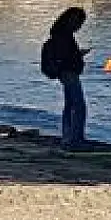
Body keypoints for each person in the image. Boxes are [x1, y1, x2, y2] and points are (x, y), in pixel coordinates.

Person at [40, 8, 89, 150]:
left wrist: (77, 55)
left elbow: (64, 55)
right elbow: (65, 57)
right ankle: (75, 139)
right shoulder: (64, 36)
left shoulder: (60, 34)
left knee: (70, 105)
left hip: (66, 72)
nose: (80, 26)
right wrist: (78, 55)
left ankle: (68, 137)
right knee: (79, 106)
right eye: (79, 22)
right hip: (68, 72)